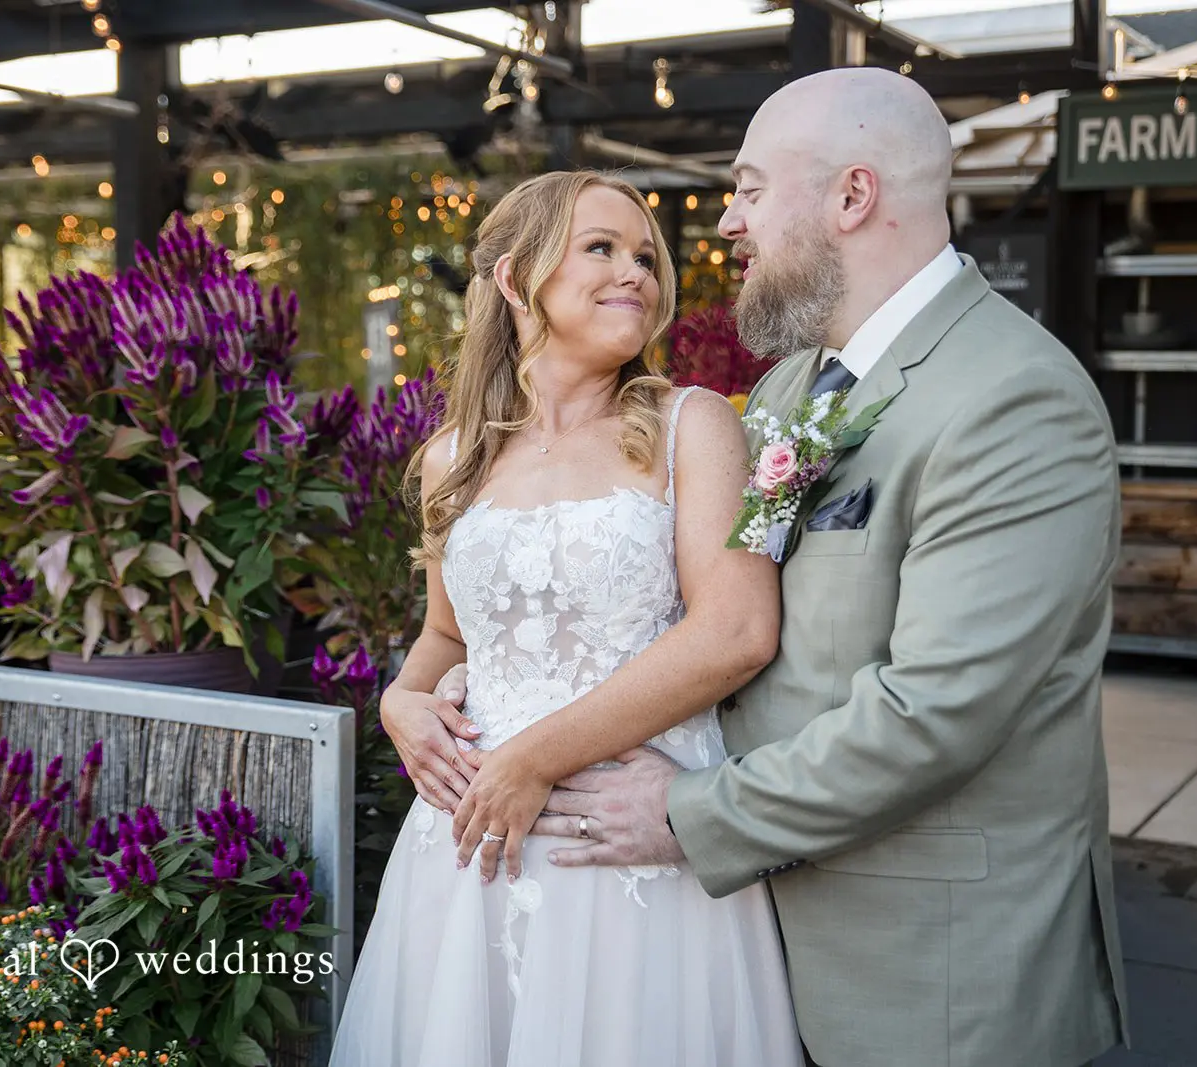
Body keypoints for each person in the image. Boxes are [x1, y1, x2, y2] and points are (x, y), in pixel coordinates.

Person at [440, 68, 1131, 1067]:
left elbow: (934, 710)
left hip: (925, 966)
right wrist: (469, 674)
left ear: (852, 197)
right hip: (756, 929)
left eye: (751, 188)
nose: (726, 223)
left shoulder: (1015, 401)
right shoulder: (788, 390)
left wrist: (687, 811)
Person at [327, 169, 805, 1066]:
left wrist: (533, 759)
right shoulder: (451, 460)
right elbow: (447, 636)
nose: (636, 274)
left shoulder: (691, 425)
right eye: (601, 248)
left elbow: (736, 631)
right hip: (469, 850)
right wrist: (400, 702)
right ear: (516, 278)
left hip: (621, 842)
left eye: (644, 258)